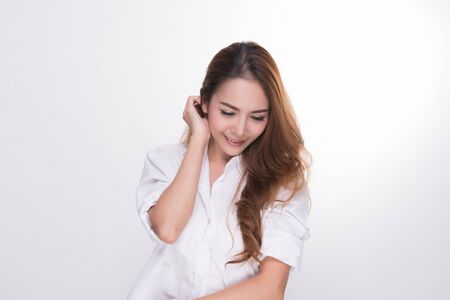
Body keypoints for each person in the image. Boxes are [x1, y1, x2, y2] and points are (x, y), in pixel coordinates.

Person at [127, 41, 312, 300]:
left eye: (257, 117)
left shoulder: (283, 182)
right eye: (228, 112)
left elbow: (270, 290)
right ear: (204, 103)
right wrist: (198, 140)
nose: (239, 129)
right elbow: (167, 229)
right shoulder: (166, 161)